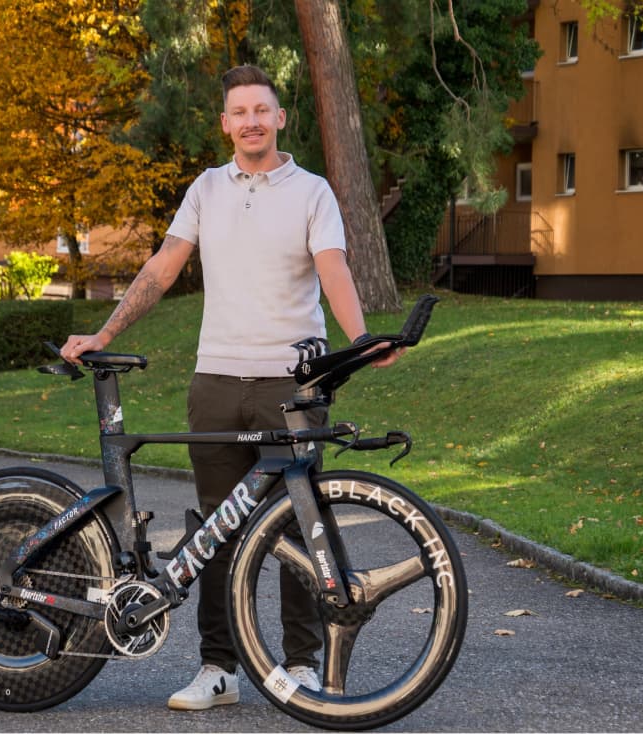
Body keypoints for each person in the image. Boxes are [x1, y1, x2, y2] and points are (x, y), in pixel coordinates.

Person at [60, 64, 402, 711]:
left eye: (260, 110)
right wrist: (104, 333)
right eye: (238, 111)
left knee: (298, 528)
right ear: (225, 124)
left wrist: (359, 340)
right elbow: (163, 267)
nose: (250, 121)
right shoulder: (206, 190)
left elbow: (333, 268)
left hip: (290, 383)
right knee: (213, 529)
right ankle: (220, 669)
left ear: (278, 119)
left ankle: (298, 664)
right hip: (215, 380)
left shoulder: (312, 192)